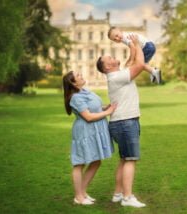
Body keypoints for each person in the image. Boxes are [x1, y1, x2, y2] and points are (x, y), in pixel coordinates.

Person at [96, 35, 146, 208]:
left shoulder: (117, 75)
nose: (112, 56)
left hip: (122, 122)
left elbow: (131, 62)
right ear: (107, 66)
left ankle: (118, 194)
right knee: (130, 159)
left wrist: (132, 46)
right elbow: (139, 65)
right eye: (109, 58)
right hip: (125, 123)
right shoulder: (116, 77)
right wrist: (138, 45)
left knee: (124, 159)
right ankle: (127, 197)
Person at [63, 71, 117, 205]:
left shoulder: (85, 91)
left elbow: (94, 108)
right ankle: (78, 197)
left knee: (96, 161)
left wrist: (106, 107)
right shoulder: (75, 98)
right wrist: (107, 112)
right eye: (78, 76)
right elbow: (88, 116)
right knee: (79, 164)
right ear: (73, 83)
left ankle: (82, 192)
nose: (81, 75)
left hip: (95, 130)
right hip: (85, 132)